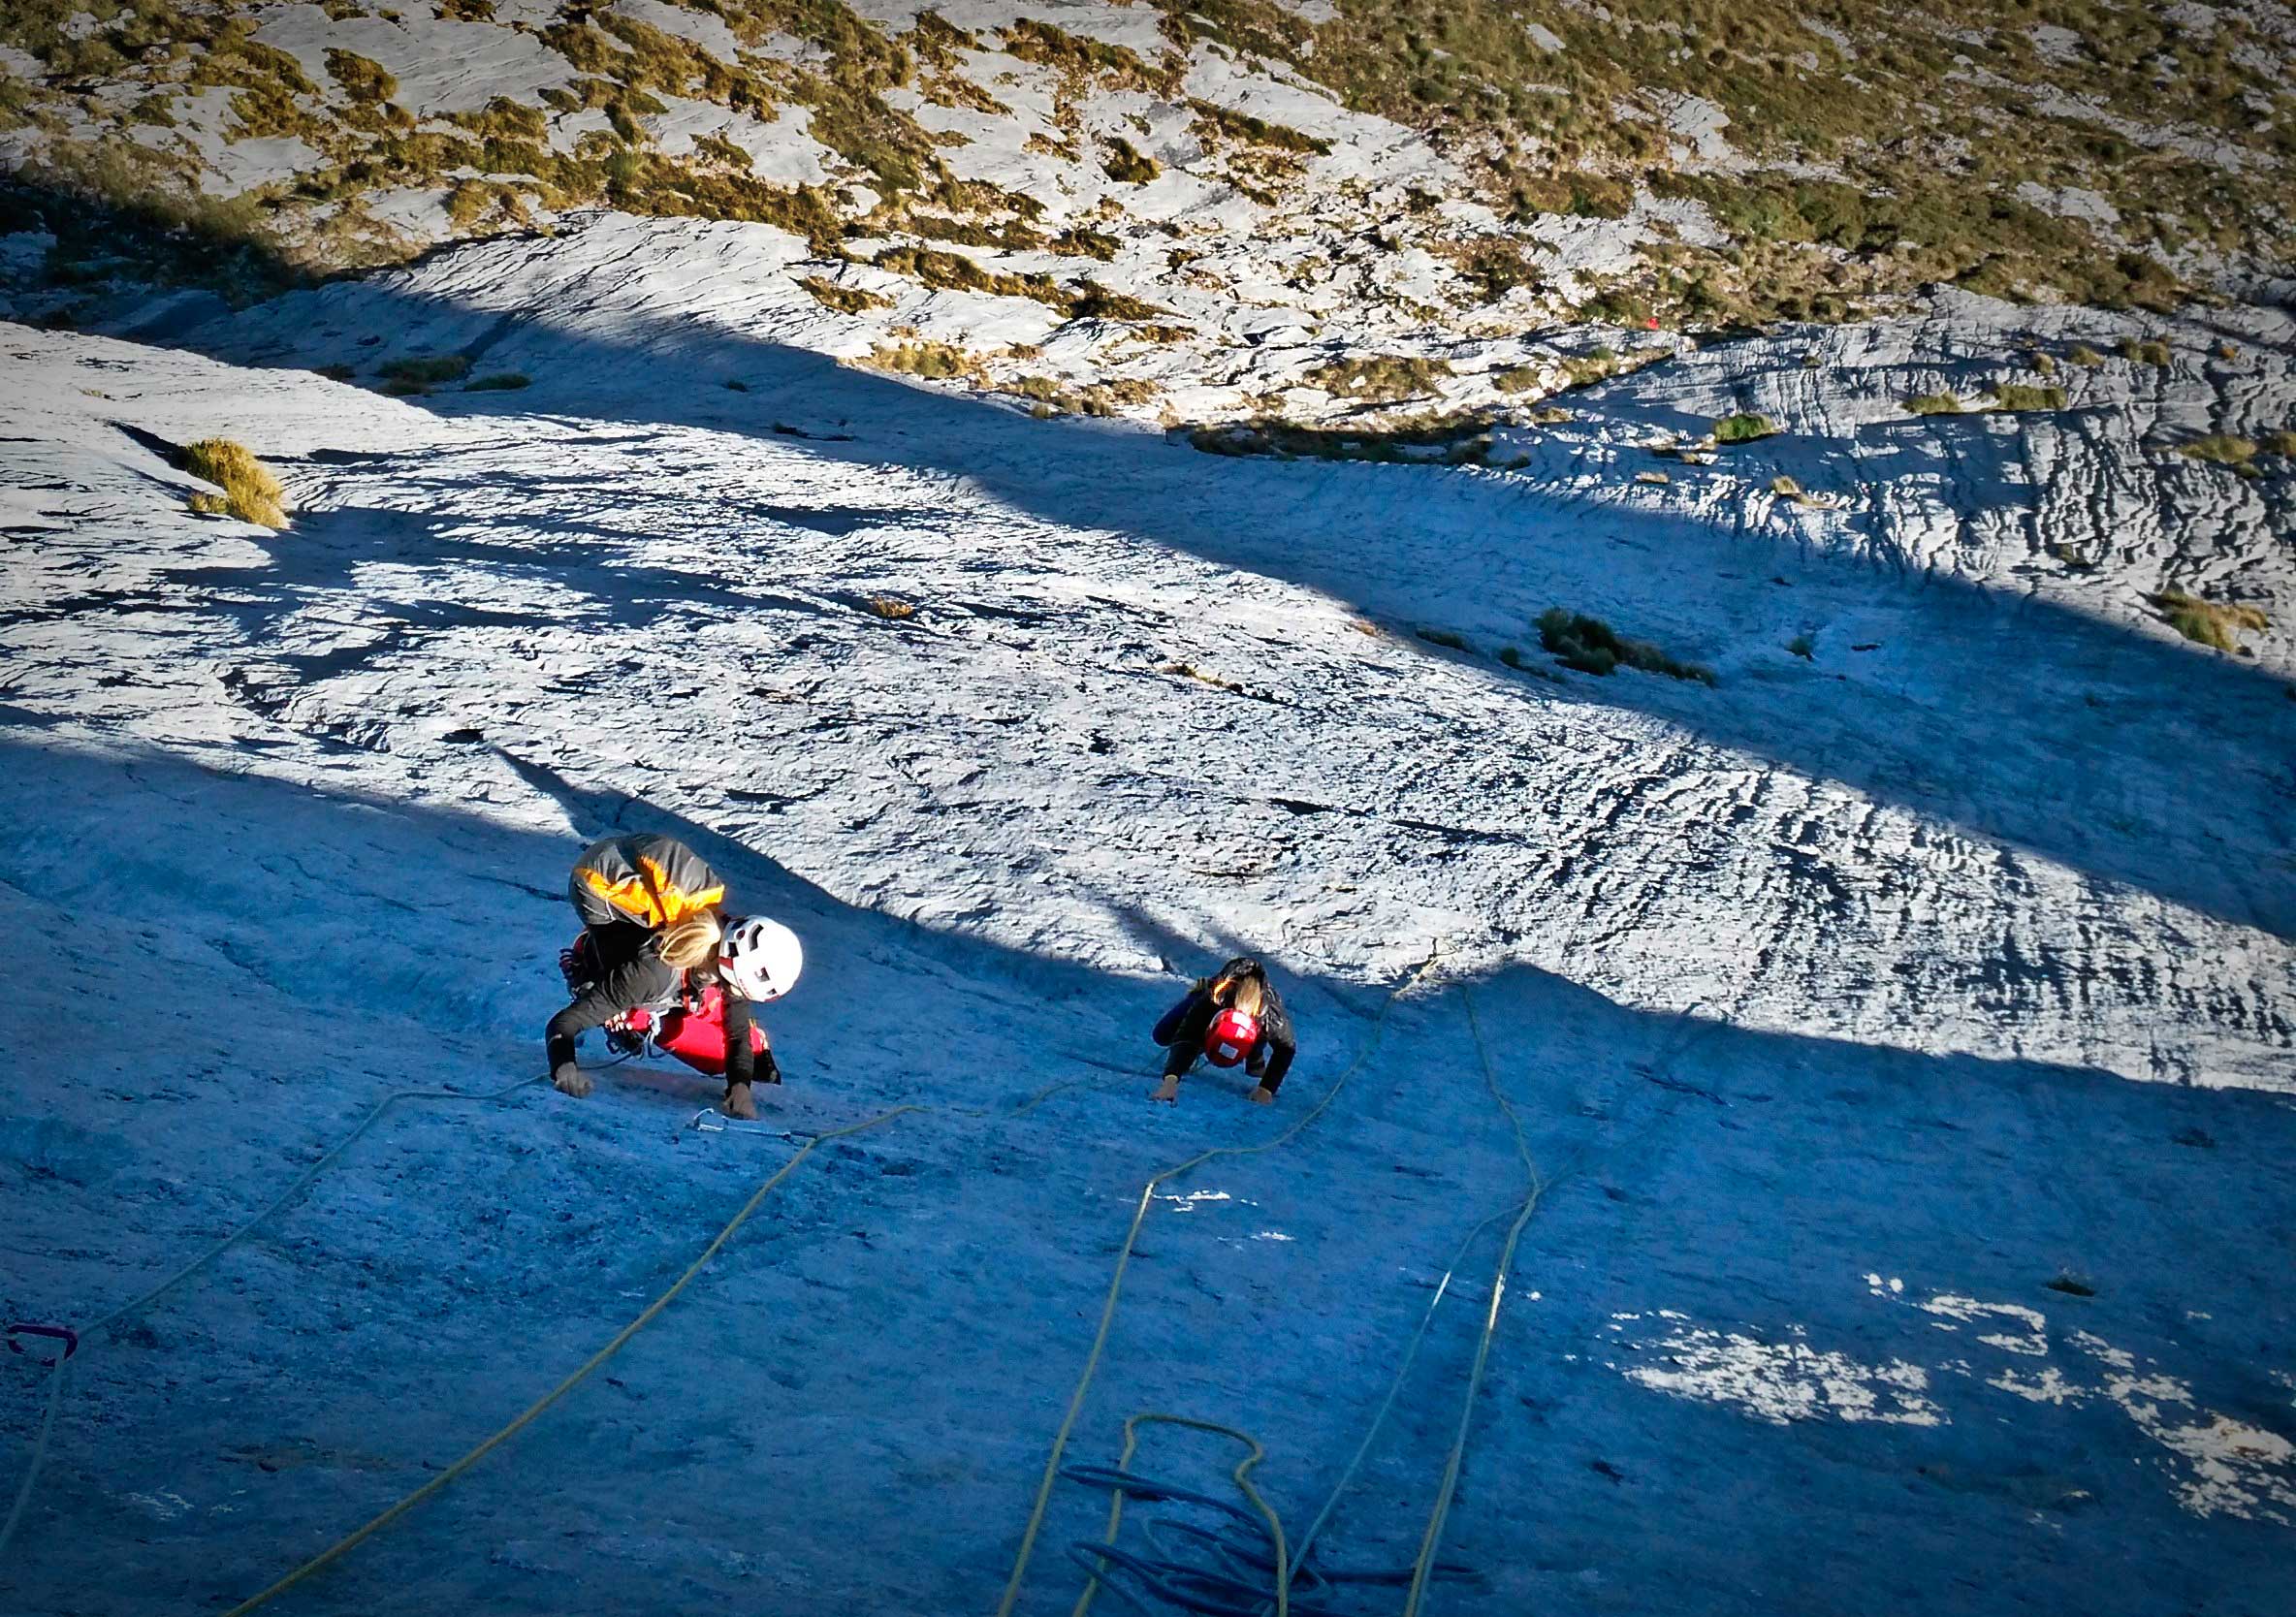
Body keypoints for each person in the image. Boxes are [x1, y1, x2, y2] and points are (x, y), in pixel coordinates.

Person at [545, 833, 802, 1119]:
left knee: (750, 1050)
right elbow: (563, 1024)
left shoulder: (723, 938)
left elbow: (738, 1032)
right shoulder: (653, 973)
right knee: (663, 1003)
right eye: (733, 989)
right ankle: (595, 968)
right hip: (596, 890)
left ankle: (623, 981)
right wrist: (564, 1067)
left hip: (629, 870)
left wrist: (739, 1087)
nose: (734, 996)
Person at [1150, 956, 1294, 1105]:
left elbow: (1286, 1049)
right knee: (1162, 1034)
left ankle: (1255, 1055)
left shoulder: (1271, 1017)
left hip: (1257, 1023)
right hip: (1210, 1002)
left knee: (1263, 1034)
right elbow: (1187, 1035)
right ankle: (1198, 999)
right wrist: (1170, 1081)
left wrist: (1267, 1089)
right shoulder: (1213, 999)